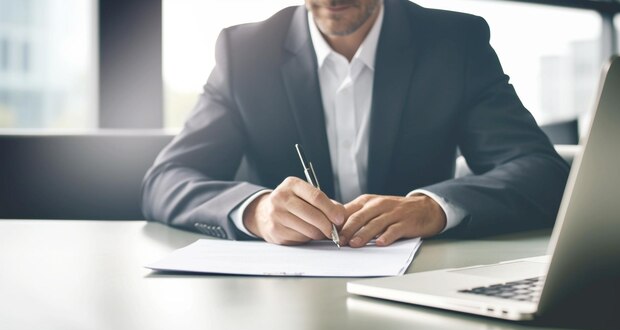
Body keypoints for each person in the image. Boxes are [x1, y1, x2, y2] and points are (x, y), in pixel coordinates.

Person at [142, 0, 569, 247]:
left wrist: (433, 208)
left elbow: (540, 171)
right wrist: (256, 211)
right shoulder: (245, 52)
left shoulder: (454, 43)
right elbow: (166, 180)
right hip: (278, 301)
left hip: (421, 288)